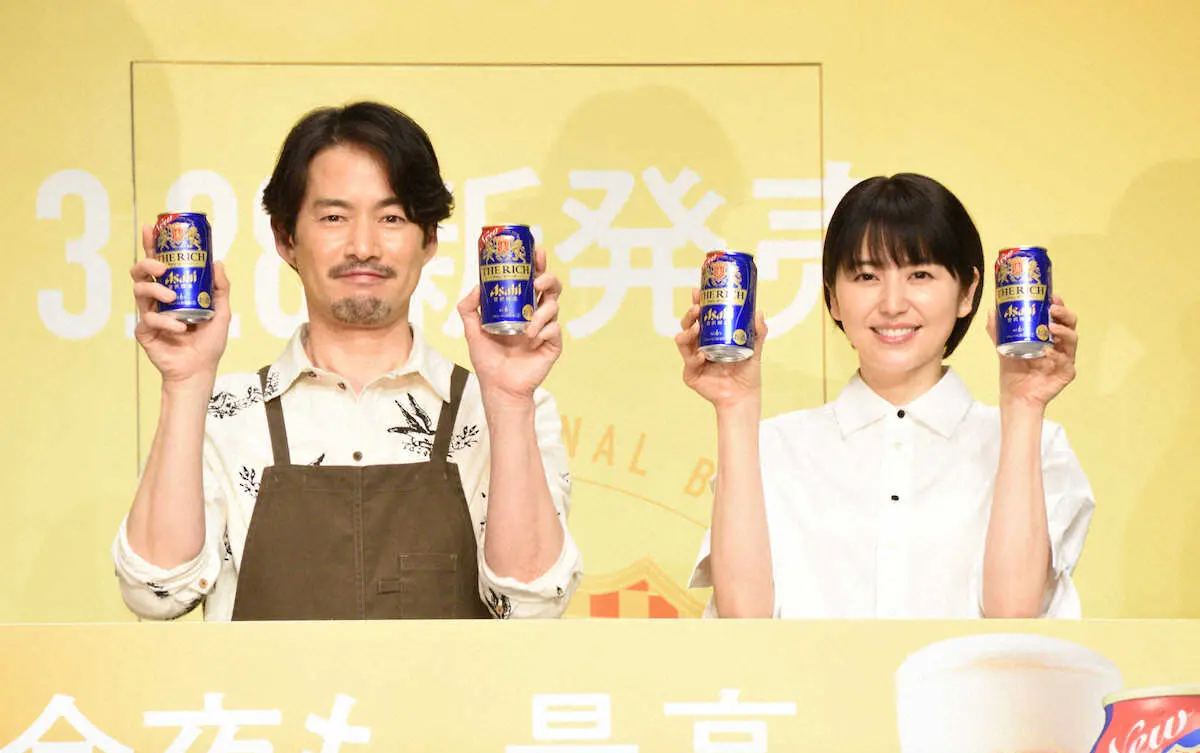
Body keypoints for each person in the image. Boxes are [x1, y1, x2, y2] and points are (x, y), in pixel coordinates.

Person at [113, 101, 581, 620]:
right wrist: (185, 384)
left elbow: (533, 604)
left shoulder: (508, 410)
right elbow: (154, 590)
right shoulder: (222, 413)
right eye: (334, 217)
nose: (363, 246)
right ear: (286, 238)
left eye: (392, 218)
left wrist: (510, 401)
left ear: (429, 240)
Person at [677, 173, 1091, 618]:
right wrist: (735, 407)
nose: (893, 304)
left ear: (968, 291)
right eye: (866, 275)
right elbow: (742, 625)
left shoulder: (1039, 446)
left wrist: (1023, 405)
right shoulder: (772, 449)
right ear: (833, 298)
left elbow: (1014, 620)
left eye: (920, 274)